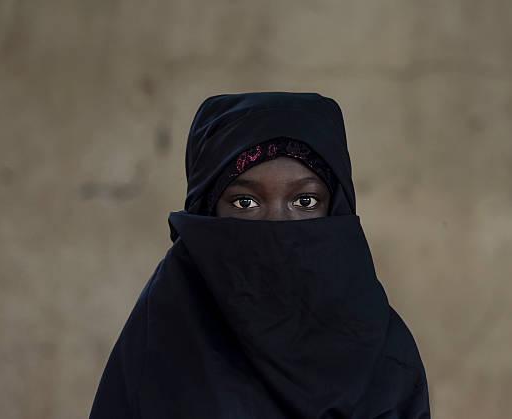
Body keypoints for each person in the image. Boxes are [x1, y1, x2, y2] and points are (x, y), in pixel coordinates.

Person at [90, 92, 430, 418]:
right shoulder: (163, 334)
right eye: (245, 203)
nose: (277, 225)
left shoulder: (384, 352)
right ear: (207, 211)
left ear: (335, 209)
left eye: (305, 201)